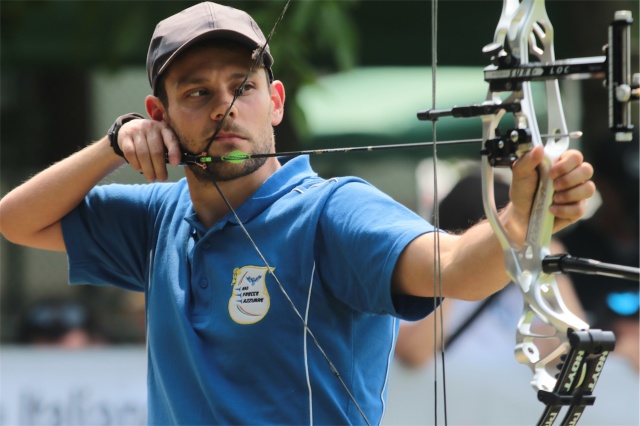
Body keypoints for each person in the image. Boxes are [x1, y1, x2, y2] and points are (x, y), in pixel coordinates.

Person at [0, 2, 596, 424]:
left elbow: (454, 267)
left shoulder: (332, 211)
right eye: (197, 93)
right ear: (159, 115)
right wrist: (112, 146)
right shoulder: (157, 219)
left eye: (243, 86)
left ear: (275, 101)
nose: (224, 109)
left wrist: (519, 224)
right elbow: (15, 219)